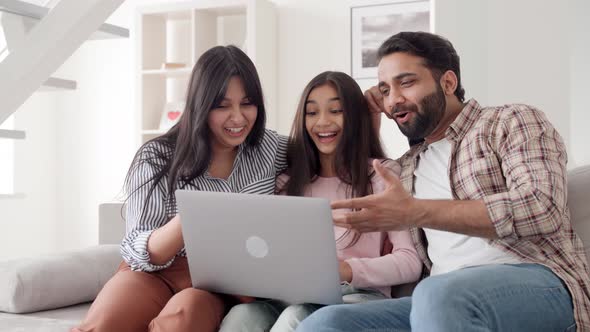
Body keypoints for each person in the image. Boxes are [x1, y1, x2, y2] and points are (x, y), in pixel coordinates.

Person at [296, 32, 590, 332]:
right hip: (437, 302)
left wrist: (416, 212)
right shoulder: (408, 166)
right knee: (325, 323)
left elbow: (542, 208)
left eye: (406, 82)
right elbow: (361, 168)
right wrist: (367, 116)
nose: (394, 99)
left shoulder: (510, 121)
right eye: (385, 90)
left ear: (448, 83)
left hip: (537, 282)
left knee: (438, 294)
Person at [72, 45, 288, 332]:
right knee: (108, 322)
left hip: (215, 283)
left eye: (247, 103)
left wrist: (367, 111)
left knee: (184, 318)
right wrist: (191, 217)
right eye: (222, 106)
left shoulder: (269, 148)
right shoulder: (156, 157)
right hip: (152, 272)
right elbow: (140, 249)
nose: (237, 118)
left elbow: (327, 144)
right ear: (200, 105)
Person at [218, 71, 422, 332]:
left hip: (356, 296)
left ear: (355, 118)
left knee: (297, 316)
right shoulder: (287, 183)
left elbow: (409, 262)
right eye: (312, 113)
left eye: (336, 110)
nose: (322, 122)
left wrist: (345, 270)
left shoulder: (381, 176)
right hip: (290, 296)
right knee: (243, 316)